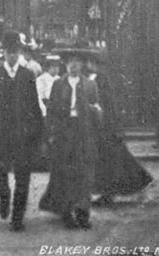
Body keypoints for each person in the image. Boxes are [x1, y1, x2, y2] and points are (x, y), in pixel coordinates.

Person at [0, 32, 43, 232]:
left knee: (23, 178)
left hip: (22, 137)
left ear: (19, 52)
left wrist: (36, 132)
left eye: (15, 52)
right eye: (8, 52)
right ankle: (4, 196)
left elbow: (34, 106)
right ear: (3, 53)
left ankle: (17, 218)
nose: (12, 56)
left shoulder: (27, 76)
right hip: (0, 137)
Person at [39, 50, 101, 230]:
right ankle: (66, 213)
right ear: (65, 65)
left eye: (77, 62)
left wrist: (91, 111)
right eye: (70, 62)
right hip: (64, 134)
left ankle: (82, 214)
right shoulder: (59, 84)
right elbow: (52, 112)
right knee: (64, 173)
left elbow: (97, 109)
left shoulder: (90, 85)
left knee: (84, 174)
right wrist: (51, 134)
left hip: (84, 133)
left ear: (82, 65)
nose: (73, 65)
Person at [86, 54, 152, 205]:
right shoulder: (95, 78)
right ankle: (108, 193)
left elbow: (106, 103)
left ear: (93, 63)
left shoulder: (101, 79)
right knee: (110, 161)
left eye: (89, 61)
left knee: (118, 160)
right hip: (101, 127)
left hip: (106, 127)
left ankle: (140, 183)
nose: (87, 64)